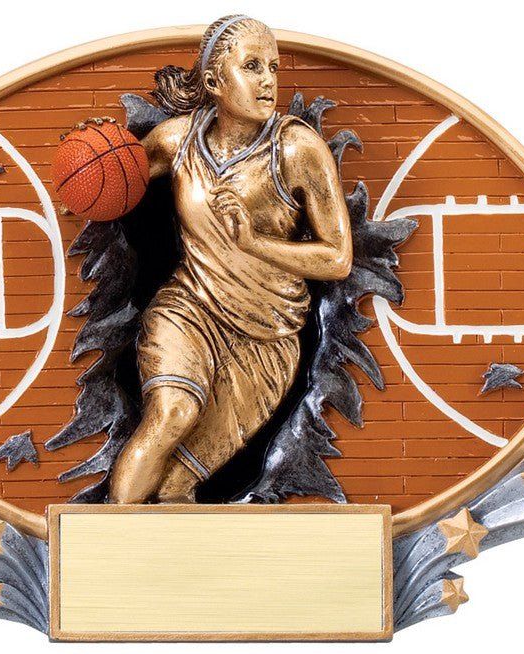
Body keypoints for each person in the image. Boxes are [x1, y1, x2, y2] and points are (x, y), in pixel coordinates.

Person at [109, 14, 352, 503]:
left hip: (267, 334)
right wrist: (90, 159)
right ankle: (103, 538)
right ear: (214, 82)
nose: (268, 81)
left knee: (177, 484)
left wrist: (254, 242)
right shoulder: (176, 141)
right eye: (252, 66)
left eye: (274, 68)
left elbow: (338, 258)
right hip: (191, 307)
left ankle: (150, 550)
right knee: (171, 413)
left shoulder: (297, 149)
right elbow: (112, 186)